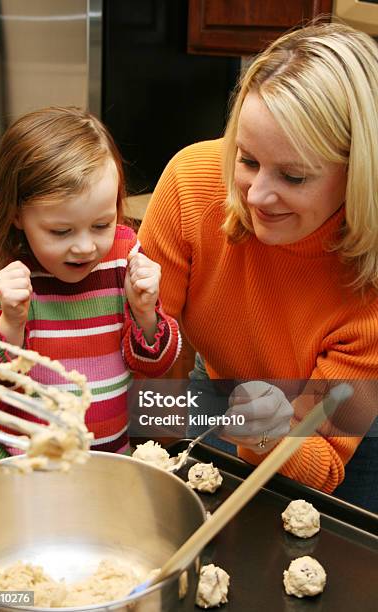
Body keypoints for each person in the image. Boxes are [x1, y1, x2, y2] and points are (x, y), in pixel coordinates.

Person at [138, 22, 378, 510]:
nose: (257, 197)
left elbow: (325, 463)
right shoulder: (192, 183)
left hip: (341, 434)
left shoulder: (370, 285)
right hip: (224, 386)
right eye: (247, 160)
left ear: (358, 174)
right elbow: (156, 362)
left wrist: (269, 436)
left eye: (293, 175)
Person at [0, 106, 180, 458]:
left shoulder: (122, 253)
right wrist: (10, 322)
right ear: (16, 213)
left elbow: (157, 365)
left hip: (109, 457)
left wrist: (146, 315)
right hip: (19, 463)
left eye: (101, 225)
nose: (85, 247)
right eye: (61, 231)